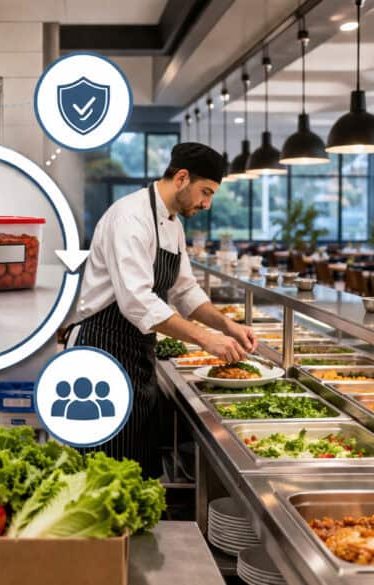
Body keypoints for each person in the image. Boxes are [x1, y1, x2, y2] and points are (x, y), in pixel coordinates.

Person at [65, 142, 256, 477]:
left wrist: (227, 326)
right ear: (181, 178)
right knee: (101, 468)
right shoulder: (130, 218)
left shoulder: (172, 223)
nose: (207, 204)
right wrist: (205, 340)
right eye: (205, 192)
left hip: (136, 350)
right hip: (101, 348)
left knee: (133, 459)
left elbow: (185, 291)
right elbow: (136, 301)